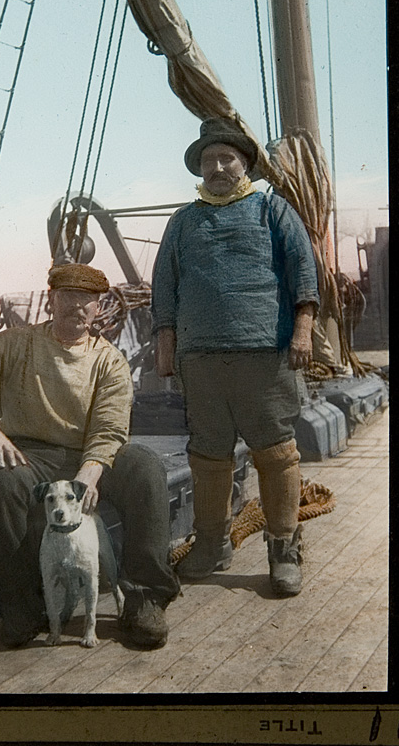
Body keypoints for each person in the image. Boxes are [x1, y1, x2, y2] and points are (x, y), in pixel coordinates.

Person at [0, 263, 180, 649]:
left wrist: (89, 474)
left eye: (87, 300)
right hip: (31, 454)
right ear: (51, 299)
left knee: (146, 469)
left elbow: (109, 427)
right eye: (69, 296)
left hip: (89, 456)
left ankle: (144, 599)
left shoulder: (109, 361)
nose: (78, 306)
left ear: (98, 308)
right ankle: (25, 608)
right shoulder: (13, 344)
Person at [151, 117, 320, 596]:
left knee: (275, 452)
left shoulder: (273, 210)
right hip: (200, 361)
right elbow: (165, 284)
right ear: (201, 169)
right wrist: (167, 345)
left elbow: (303, 270)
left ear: (244, 163)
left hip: (263, 356)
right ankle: (211, 544)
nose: (218, 166)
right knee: (208, 455)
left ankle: (284, 548)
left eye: (227, 157)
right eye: (209, 159)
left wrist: (303, 330)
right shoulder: (183, 221)